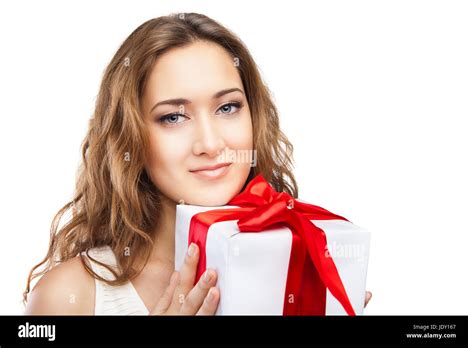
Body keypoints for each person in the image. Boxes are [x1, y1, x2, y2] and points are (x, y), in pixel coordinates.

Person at [23, 12, 372, 315]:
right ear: (130, 137)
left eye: (227, 108)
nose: (210, 144)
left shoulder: (301, 264)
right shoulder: (70, 296)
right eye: (174, 117)